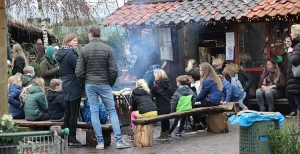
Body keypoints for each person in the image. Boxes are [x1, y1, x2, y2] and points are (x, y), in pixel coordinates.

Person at [75, 26, 130, 149]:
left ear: (90, 34)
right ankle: (119, 141)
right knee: (112, 111)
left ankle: (99, 142)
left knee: (94, 111)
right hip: (105, 83)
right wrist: (109, 83)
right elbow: (114, 70)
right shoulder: (108, 49)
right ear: (99, 34)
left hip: (90, 84)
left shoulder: (84, 50)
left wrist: (85, 83)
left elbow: (78, 71)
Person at [56, 33, 85, 146]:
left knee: (68, 112)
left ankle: (65, 136)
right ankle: (72, 138)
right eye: (74, 40)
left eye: (76, 40)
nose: (76, 42)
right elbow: (79, 69)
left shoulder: (61, 53)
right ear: (68, 41)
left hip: (66, 84)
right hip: (74, 84)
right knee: (74, 113)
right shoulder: (70, 54)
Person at [151, 69, 173, 140]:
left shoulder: (155, 87)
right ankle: (166, 133)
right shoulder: (169, 85)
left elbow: (151, 95)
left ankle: (163, 135)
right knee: (166, 119)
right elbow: (171, 95)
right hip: (168, 106)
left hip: (160, 106)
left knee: (163, 120)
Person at [287, 24, 300, 128]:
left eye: (292, 32)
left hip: (297, 80)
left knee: (299, 103)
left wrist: (289, 52)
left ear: (296, 33)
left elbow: (295, 61)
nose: (290, 34)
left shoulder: (298, 45)